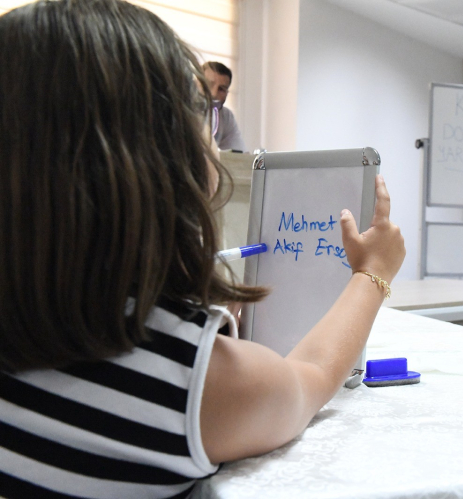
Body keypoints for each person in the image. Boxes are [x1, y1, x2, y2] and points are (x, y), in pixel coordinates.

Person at [0, 1, 405, 498]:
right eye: (203, 113)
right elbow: (312, 379)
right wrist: (372, 274)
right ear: (163, 161)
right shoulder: (192, 382)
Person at [202, 61, 247, 152]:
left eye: (221, 89)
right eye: (209, 85)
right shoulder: (183, 110)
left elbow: (239, 154)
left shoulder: (226, 117)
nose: (214, 94)